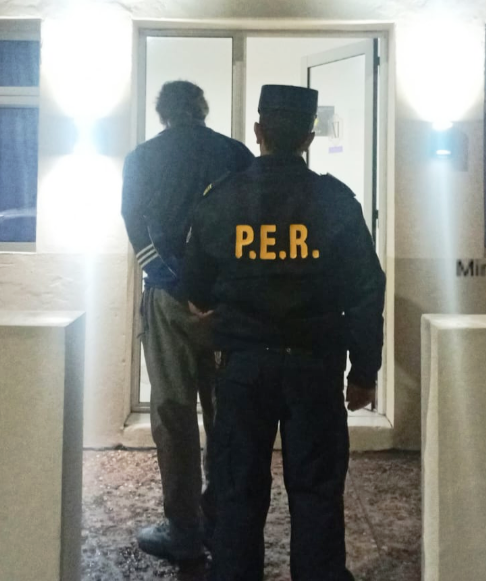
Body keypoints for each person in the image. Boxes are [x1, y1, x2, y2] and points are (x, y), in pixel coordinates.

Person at [181, 85, 386, 580]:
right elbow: (366, 290)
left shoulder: (221, 199)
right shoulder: (336, 202)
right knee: (317, 491)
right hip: (315, 368)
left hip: (244, 371)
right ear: (308, 138)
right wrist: (364, 372)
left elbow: (195, 287)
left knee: (237, 490)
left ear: (258, 132)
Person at [121, 80, 254, 561]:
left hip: (169, 300)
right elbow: (252, 223)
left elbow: (135, 224)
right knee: (227, 415)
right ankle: (222, 521)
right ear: (203, 109)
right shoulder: (236, 154)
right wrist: (223, 285)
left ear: (162, 114)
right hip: (225, 303)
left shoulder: (142, 157)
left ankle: (183, 528)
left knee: (174, 413)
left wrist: (173, 280)